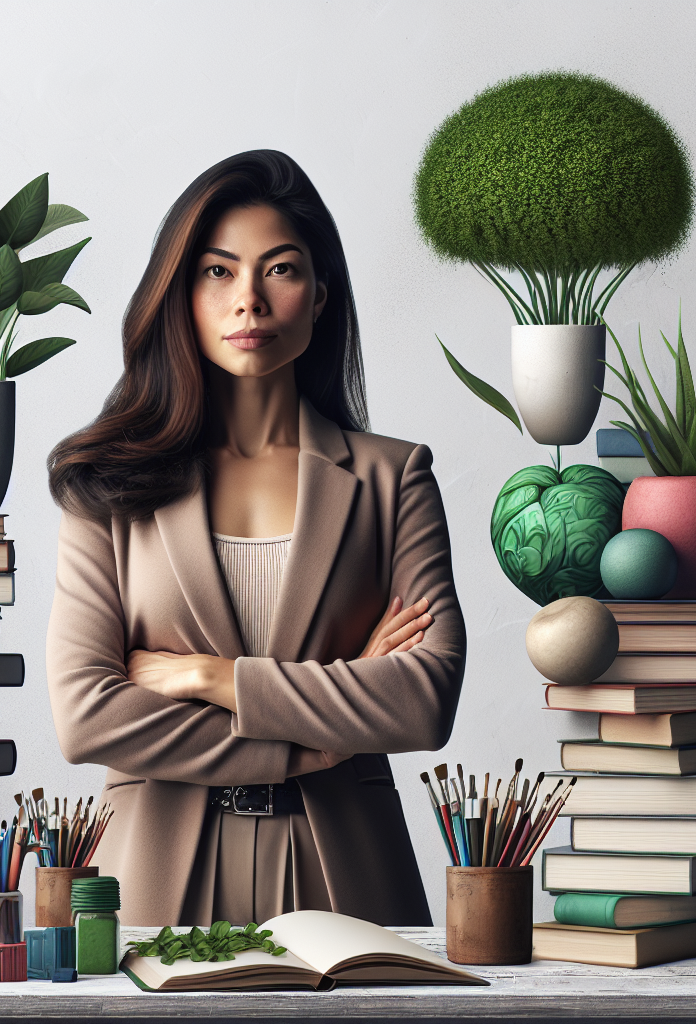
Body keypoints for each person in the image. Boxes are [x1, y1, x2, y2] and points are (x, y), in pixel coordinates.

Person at [46, 150, 466, 928]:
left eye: (279, 269)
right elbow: (87, 716)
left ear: (320, 296)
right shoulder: (105, 483)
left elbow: (423, 699)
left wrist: (213, 677)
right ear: (181, 297)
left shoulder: (393, 477)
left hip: (350, 880)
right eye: (216, 272)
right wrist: (317, 739)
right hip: (154, 878)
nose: (249, 300)